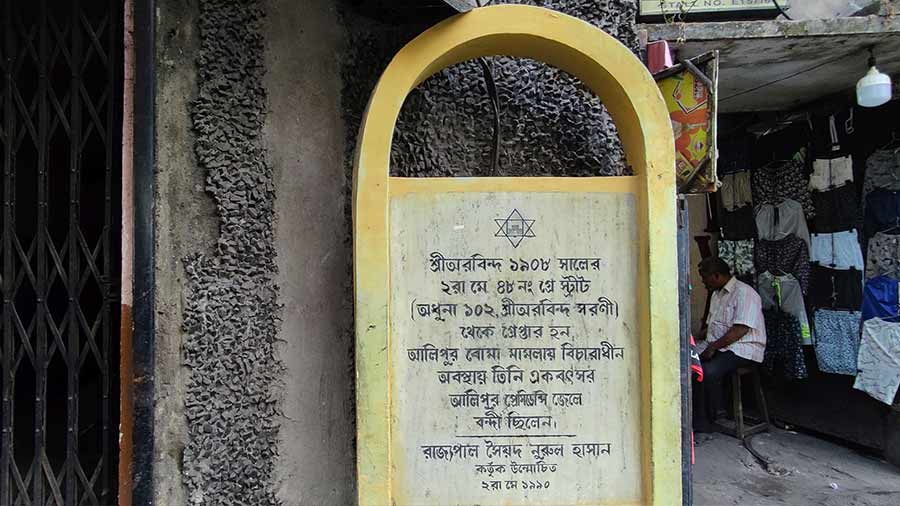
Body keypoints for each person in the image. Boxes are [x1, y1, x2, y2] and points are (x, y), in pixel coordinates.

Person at [693, 257, 767, 432]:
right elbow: (712, 326)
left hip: (743, 348)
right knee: (691, 365)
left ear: (716, 276)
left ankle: (706, 421)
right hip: (721, 345)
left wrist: (713, 347)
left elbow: (740, 330)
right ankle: (700, 417)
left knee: (707, 372)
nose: (703, 282)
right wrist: (693, 339)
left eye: (705, 277)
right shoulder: (717, 295)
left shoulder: (745, 293)